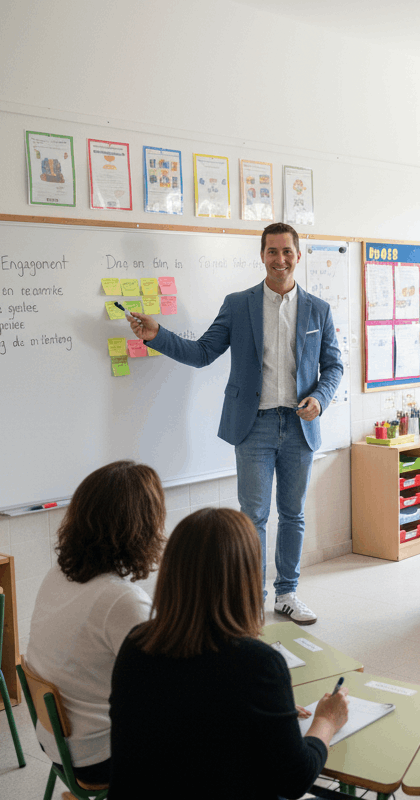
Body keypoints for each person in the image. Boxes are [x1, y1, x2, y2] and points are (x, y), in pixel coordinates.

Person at [126, 222, 343, 625]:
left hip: (299, 425)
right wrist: (157, 335)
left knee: (293, 514)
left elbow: (333, 367)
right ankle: (252, 599)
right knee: (253, 517)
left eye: (287, 252)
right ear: (261, 256)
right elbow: (202, 352)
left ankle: (287, 593)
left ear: (299, 255)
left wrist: (321, 398)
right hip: (254, 426)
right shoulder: (238, 304)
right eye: (272, 252)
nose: (280, 259)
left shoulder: (318, 310)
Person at [106, 508, 349, 800]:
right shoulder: (258, 663)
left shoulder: (135, 645)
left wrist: (261, 714)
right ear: (246, 580)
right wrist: (326, 720)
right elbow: (296, 779)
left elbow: (190, 708)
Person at [25, 460, 166, 785]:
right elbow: (168, 688)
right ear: (141, 526)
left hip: (55, 739)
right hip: (98, 755)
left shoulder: (57, 575)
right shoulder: (122, 601)